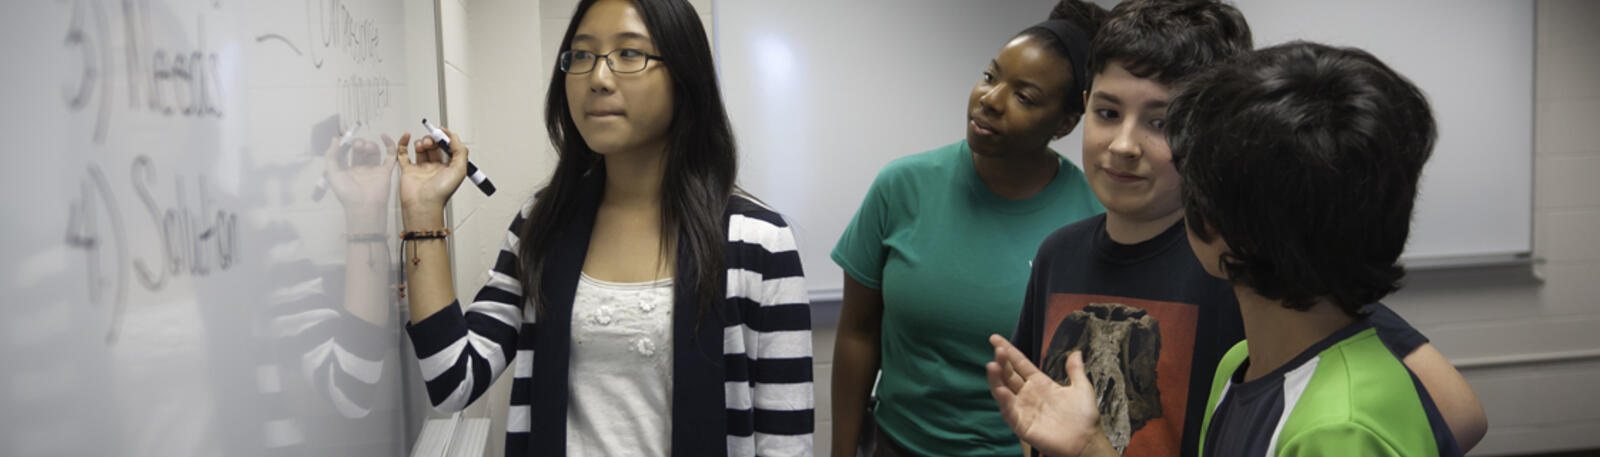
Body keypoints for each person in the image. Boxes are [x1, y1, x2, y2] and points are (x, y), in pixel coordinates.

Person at [988, 1, 1485, 456]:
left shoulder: (1250, 257)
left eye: (1162, 123)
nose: (1123, 144)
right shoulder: (1062, 252)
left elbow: (1457, 413)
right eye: (1107, 112)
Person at [395, 0, 814, 455]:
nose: (597, 78)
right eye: (582, 55)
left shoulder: (758, 242)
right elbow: (454, 379)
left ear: (684, 77)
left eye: (630, 54)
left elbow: (785, 443)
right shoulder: (543, 223)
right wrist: (423, 211)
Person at [830, 2, 1108, 456]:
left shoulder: (1090, 216)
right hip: (895, 445)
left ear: (1065, 123)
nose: (990, 100)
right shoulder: (902, 186)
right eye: (990, 75)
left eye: (1024, 96)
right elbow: (858, 332)